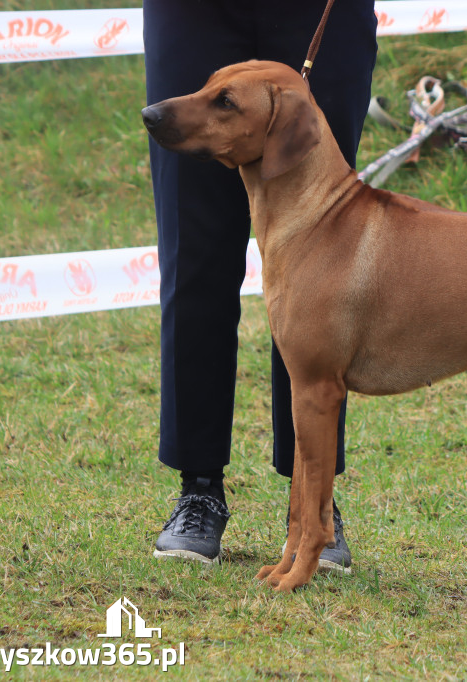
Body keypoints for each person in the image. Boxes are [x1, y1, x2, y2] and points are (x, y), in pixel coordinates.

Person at [143, 0, 378, 568]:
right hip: (194, 15)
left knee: (319, 258)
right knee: (194, 251)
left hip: (320, 12)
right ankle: (198, 489)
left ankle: (313, 504)